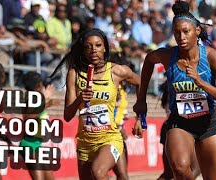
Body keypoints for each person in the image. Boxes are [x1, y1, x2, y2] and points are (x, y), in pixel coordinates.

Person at [133, 1, 216, 179]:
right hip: (179, 123)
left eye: (186, 31)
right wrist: (141, 99)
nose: (181, 37)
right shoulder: (167, 56)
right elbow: (149, 59)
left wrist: (200, 82)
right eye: (177, 32)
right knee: (179, 169)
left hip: (208, 124)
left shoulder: (212, 56)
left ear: (196, 31)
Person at [50, 28, 140, 180]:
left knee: (99, 172)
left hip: (110, 138)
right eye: (88, 46)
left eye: (98, 45)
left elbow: (141, 83)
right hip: (85, 143)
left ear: (104, 47)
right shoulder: (75, 74)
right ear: (84, 51)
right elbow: (67, 115)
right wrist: (80, 99)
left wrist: (140, 116)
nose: (93, 50)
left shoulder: (116, 71)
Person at [157, 79, 200, 180]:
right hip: (180, 127)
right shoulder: (180, 87)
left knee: (169, 173)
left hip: (170, 126)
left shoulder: (172, 86)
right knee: (195, 168)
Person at [20, 71, 60, 180]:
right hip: (30, 145)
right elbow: (28, 118)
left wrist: (45, 98)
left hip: (37, 145)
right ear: (39, 85)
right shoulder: (30, 99)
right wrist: (48, 104)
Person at [113, 84, 129, 180]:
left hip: (117, 133)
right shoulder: (114, 85)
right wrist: (119, 127)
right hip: (110, 133)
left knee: (122, 175)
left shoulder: (122, 90)